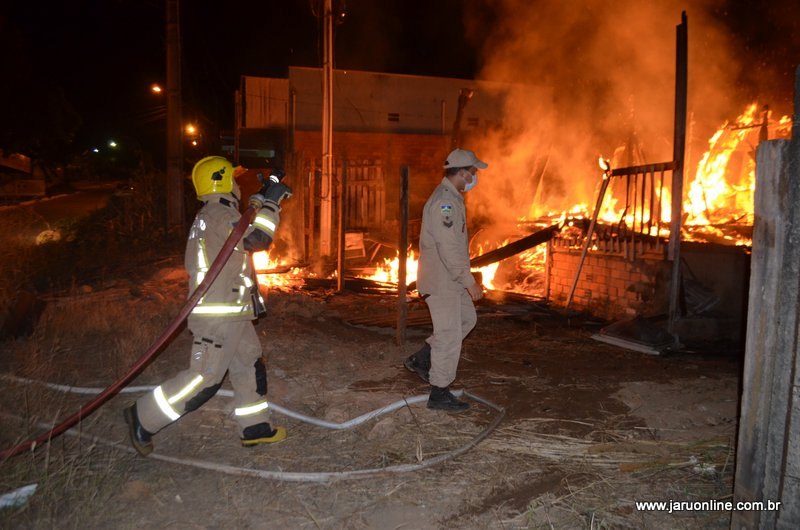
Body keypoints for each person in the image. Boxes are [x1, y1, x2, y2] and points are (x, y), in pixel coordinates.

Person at [124, 155, 292, 456]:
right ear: (223, 180)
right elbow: (256, 239)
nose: (237, 185)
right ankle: (143, 416)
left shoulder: (217, 213)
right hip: (218, 316)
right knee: (205, 378)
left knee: (248, 365)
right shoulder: (217, 215)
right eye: (233, 179)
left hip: (234, 312)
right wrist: (273, 205)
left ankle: (255, 428)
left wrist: (264, 196)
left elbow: (242, 226)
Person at [405, 148, 487, 411]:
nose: (474, 177)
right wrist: (469, 280)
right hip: (443, 281)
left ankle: (423, 358)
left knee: (466, 320)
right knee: (449, 334)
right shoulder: (446, 203)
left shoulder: (452, 198)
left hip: (449, 279)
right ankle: (439, 393)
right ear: (462, 172)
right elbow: (448, 247)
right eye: (472, 172)